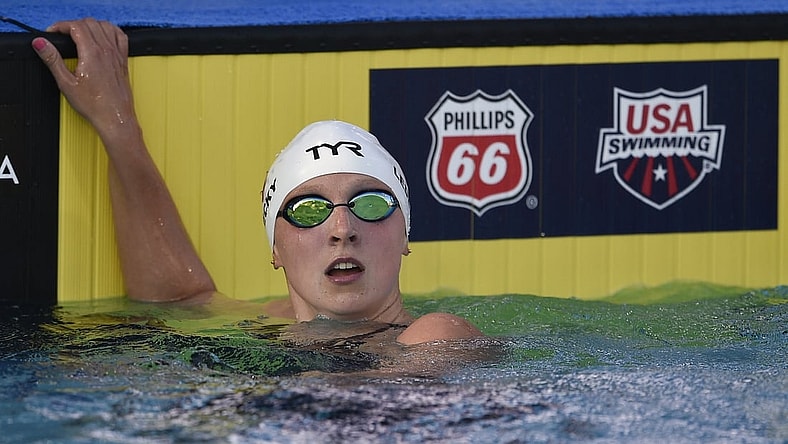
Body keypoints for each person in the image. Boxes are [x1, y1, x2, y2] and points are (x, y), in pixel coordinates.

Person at [31, 18, 482, 346]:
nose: (343, 228)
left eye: (370, 203)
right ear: (275, 248)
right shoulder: (276, 323)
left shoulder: (435, 336)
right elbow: (179, 298)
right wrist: (117, 125)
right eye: (309, 210)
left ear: (405, 232)